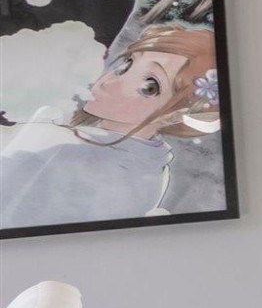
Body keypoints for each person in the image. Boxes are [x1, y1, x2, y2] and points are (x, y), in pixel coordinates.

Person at [0, 22, 228, 227]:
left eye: (149, 86)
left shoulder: (58, 145)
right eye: (127, 65)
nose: (110, 81)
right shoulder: (154, 169)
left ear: (173, 116)